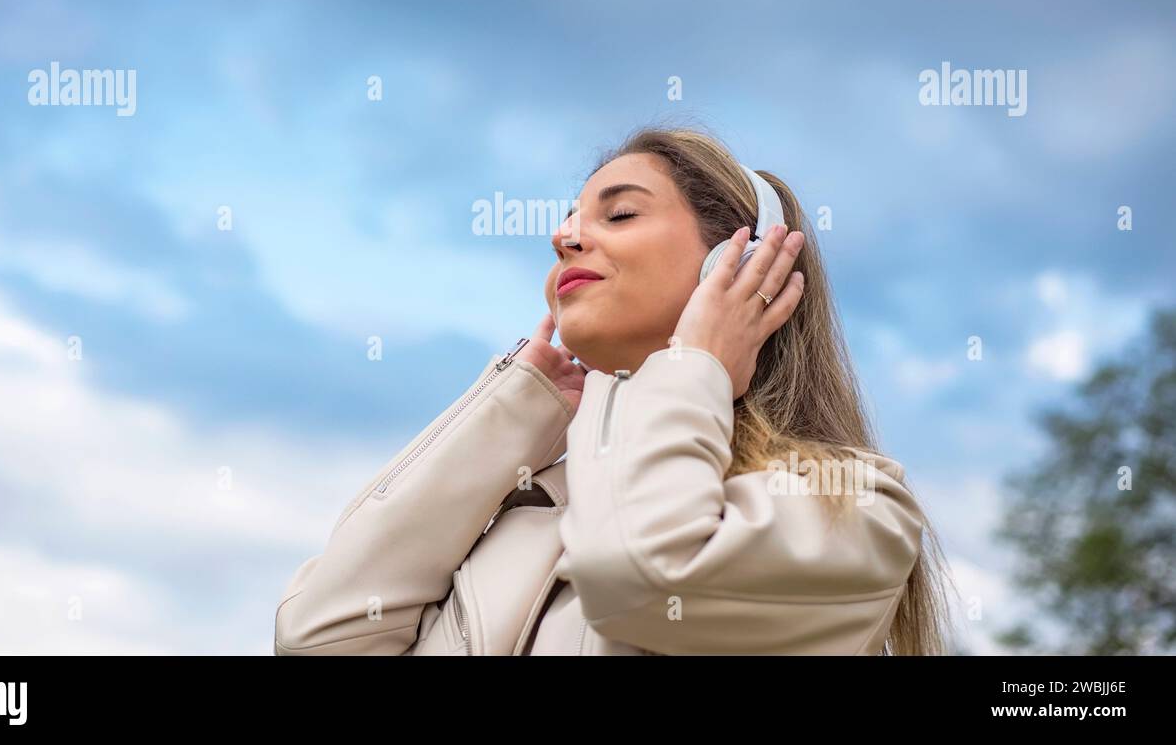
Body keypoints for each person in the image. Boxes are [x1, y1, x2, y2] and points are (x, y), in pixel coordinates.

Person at [274, 125, 954, 654]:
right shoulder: (526, 513)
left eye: (620, 214)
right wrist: (514, 414)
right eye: (570, 221)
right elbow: (321, 636)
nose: (563, 236)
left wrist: (696, 364)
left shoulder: (850, 504)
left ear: (742, 263)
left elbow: (646, 573)